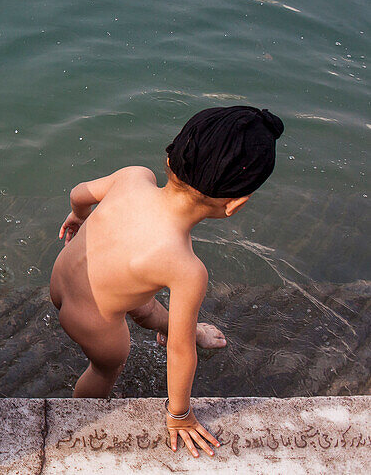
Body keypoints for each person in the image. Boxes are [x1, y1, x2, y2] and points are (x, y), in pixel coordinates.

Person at [50, 106, 284, 458]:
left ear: (171, 158)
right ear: (235, 204)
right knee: (107, 366)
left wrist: (78, 217)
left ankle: (182, 327)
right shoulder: (186, 267)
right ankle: (82, 414)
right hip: (95, 325)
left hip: (62, 282)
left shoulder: (133, 177)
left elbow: (79, 193)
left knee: (140, 297)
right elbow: (178, 351)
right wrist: (180, 415)